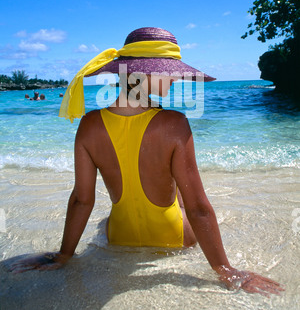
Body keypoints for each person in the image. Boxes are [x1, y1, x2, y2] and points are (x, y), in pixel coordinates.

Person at [9, 28, 283, 296]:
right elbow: (199, 208)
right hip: (175, 239)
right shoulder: (174, 123)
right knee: (185, 203)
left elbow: (82, 200)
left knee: (107, 218)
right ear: (145, 73)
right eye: (170, 72)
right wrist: (225, 269)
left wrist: (63, 255)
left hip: (118, 238)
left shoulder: (89, 125)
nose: (175, 79)